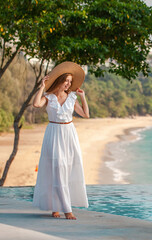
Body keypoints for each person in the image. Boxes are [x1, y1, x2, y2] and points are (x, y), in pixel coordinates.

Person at [32, 61, 89, 220]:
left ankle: (57, 207)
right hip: (54, 134)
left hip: (69, 135)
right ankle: (65, 209)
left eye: (70, 82)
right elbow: (36, 104)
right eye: (66, 81)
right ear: (60, 81)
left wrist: (82, 97)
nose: (68, 84)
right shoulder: (48, 97)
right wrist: (42, 86)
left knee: (66, 170)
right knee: (56, 170)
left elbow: (86, 114)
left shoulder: (72, 97)